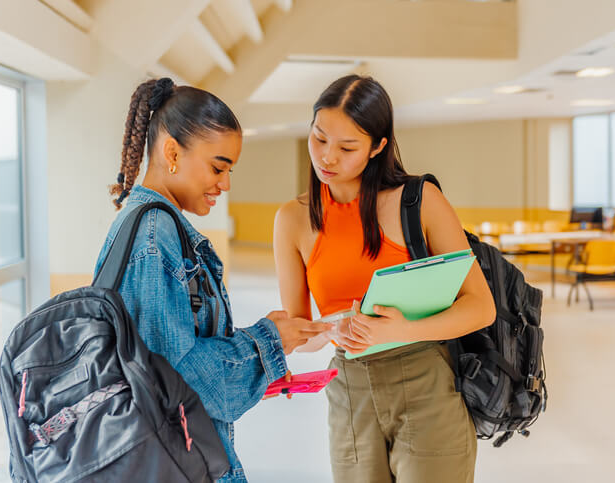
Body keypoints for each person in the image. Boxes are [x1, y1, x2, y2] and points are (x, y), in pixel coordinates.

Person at [94, 78, 332, 482]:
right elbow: (175, 386)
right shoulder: (155, 238)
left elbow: (176, 357)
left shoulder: (153, 227)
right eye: (217, 167)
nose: (225, 184)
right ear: (172, 152)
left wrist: (264, 361)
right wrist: (268, 342)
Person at [273, 75, 496, 482]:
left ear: (377, 146)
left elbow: (481, 306)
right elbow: (303, 334)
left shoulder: (420, 201)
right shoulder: (292, 219)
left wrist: (404, 329)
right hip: (349, 391)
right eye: (319, 138)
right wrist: (330, 327)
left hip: (425, 383)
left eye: (347, 147)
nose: (327, 157)